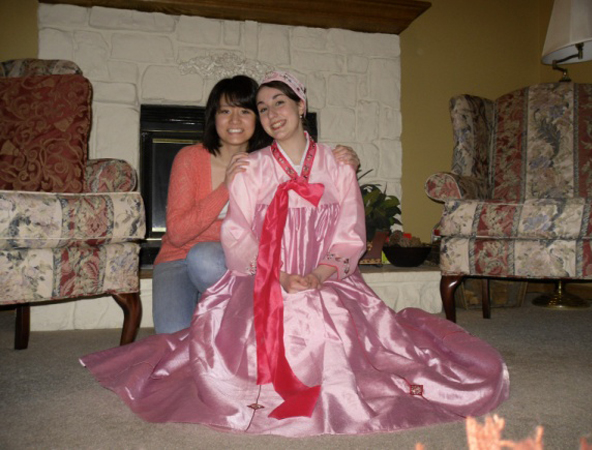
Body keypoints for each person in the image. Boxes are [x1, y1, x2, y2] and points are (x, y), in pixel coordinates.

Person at [81, 71, 509, 436]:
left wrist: (321, 274)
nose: (271, 114)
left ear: (301, 106)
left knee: (354, 338)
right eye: (263, 107)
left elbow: (350, 234)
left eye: (278, 104)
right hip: (261, 273)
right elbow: (238, 234)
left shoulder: (337, 164)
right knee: (208, 338)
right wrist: (281, 276)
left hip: (331, 277)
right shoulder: (250, 168)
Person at [152, 74, 359, 334]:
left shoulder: (262, 162)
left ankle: (219, 313)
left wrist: (347, 163)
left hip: (228, 259)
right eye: (225, 111)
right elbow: (178, 234)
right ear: (213, 117)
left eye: (245, 111)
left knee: (207, 259)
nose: (234, 120)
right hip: (181, 258)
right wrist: (226, 187)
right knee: (172, 336)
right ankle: (216, 311)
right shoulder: (190, 158)